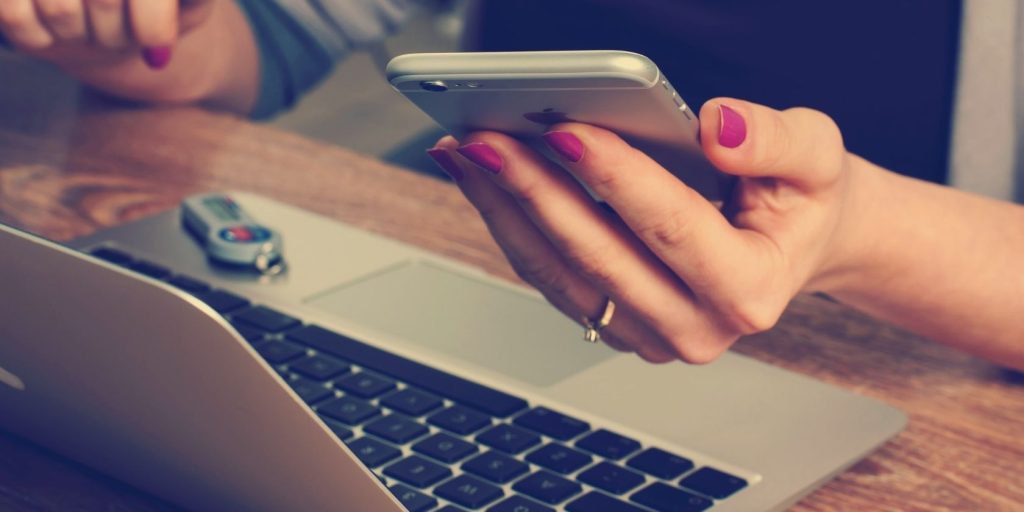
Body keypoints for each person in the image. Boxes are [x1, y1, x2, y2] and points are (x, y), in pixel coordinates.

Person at [1, 0, 1021, 369]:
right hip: (485, 291)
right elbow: (260, 35)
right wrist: (136, 23)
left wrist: (856, 230)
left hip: (919, 384)